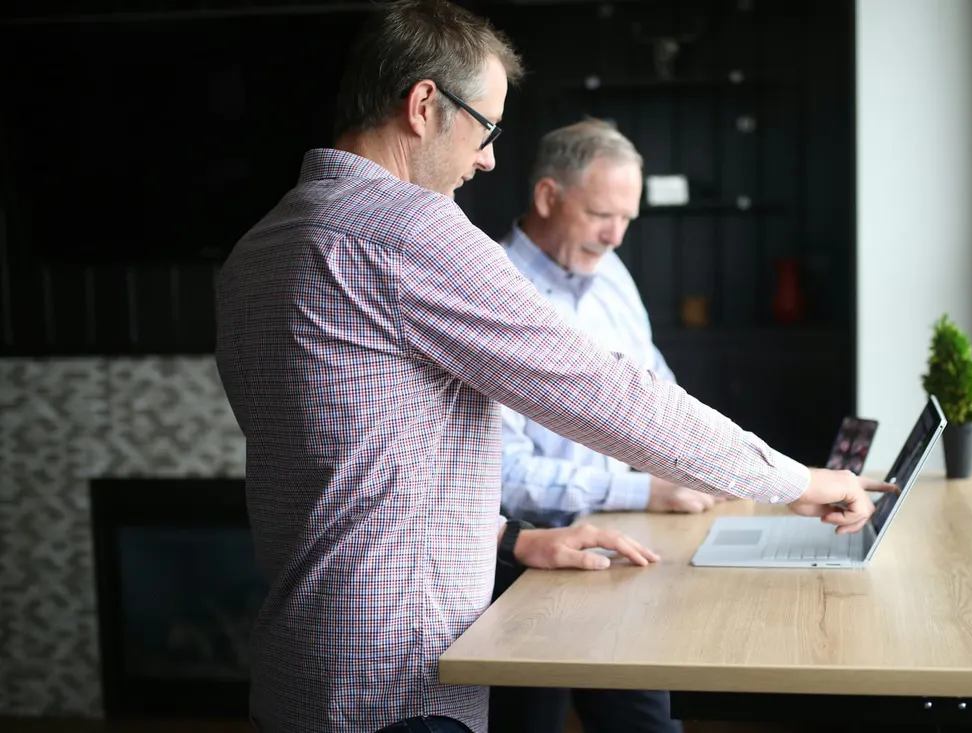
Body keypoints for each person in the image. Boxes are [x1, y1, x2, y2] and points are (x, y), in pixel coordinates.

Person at [213, 3, 890, 733]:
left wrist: (511, 536)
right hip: (397, 682)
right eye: (488, 128)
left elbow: (363, 465)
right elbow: (609, 395)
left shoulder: (260, 245)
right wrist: (800, 481)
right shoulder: (411, 231)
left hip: (298, 666)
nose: (489, 158)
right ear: (423, 105)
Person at [486, 119, 707, 733]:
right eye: (600, 215)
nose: (614, 235)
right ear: (548, 197)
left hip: (618, 547)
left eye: (626, 219)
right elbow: (501, 474)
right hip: (519, 563)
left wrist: (706, 462)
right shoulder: (491, 290)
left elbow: (657, 389)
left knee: (647, 726)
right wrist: (645, 488)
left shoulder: (611, 272)